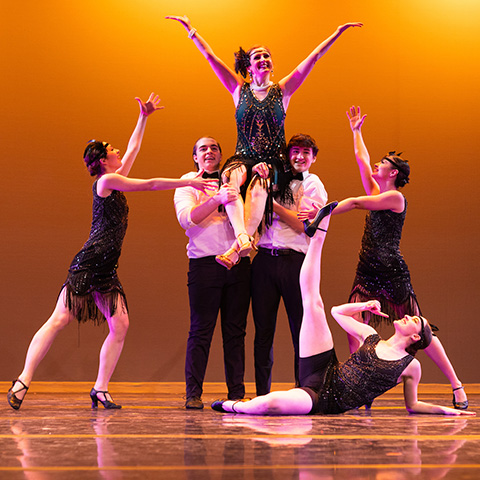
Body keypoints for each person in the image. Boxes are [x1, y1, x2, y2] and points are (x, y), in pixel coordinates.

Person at [7, 94, 216, 411]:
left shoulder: (115, 180)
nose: (118, 150)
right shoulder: (106, 182)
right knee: (60, 318)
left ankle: (100, 389)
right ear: (103, 160)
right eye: (112, 149)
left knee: (120, 325)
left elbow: (133, 150)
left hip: (107, 268)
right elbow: (149, 185)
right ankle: (23, 380)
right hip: (90, 262)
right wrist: (190, 183)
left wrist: (143, 118)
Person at [211, 213, 475, 416]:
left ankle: (232, 406)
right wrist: (364, 306)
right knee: (313, 303)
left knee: (269, 405)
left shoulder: (411, 366)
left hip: (323, 399)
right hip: (323, 367)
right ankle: (319, 233)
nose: (407, 316)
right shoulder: (371, 336)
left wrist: (445, 411)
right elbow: (336, 312)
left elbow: (413, 405)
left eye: (414, 320)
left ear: (416, 336)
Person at [300, 106, 468, 410]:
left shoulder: (395, 198)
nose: (377, 164)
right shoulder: (379, 190)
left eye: (384, 163)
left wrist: (322, 212)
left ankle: (457, 386)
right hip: (367, 269)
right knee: (354, 327)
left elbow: (352, 203)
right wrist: (356, 132)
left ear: (393, 173)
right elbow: (362, 162)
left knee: (424, 330)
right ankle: (362, 388)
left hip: (391, 271)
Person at [165, 16, 362, 267]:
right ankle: (243, 238)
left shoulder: (283, 91)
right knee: (229, 180)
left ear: (272, 65)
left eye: (267, 56)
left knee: (260, 186)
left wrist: (336, 33)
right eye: (257, 56)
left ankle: (237, 247)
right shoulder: (239, 90)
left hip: (273, 160)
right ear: (249, 66)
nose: (263, 59)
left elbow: (312, 59)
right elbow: (211, 58)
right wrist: (192, 31)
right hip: (243, 155)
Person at [174, 136, 251, 409]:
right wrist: (216, 199)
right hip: (205, 265)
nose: (209, 151)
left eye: (214, 148)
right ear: (195, 157)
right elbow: (187, 219)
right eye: (203, 149)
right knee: (200, 331)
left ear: (221, 155)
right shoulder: (187, 182)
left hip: (238, 265)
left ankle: (237, 395)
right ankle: (193, 394)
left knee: (235, 332)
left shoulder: (235, 179)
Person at [251, 133, 329, 396]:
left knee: (300, 330)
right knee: (262, 333)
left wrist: (270, 205)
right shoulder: (273, 178)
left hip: (294, 261)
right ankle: (261, 394)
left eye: (306, 152)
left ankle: (303, 391)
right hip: (264, 260)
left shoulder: (314, 184)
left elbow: (303, 225)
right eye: (295, 151)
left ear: (314, 158)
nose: (299, 157)